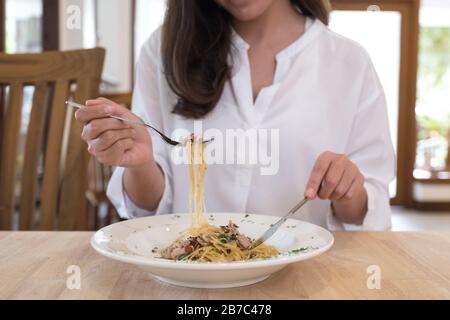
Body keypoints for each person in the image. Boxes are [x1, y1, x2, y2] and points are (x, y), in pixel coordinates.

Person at [75, 0, 395, 230]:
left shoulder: (348, 62)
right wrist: (141, 163)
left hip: (306, 280)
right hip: (192, 280)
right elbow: (146, 211)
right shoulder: (162, 52)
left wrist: (348, 188)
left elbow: (368, 211)